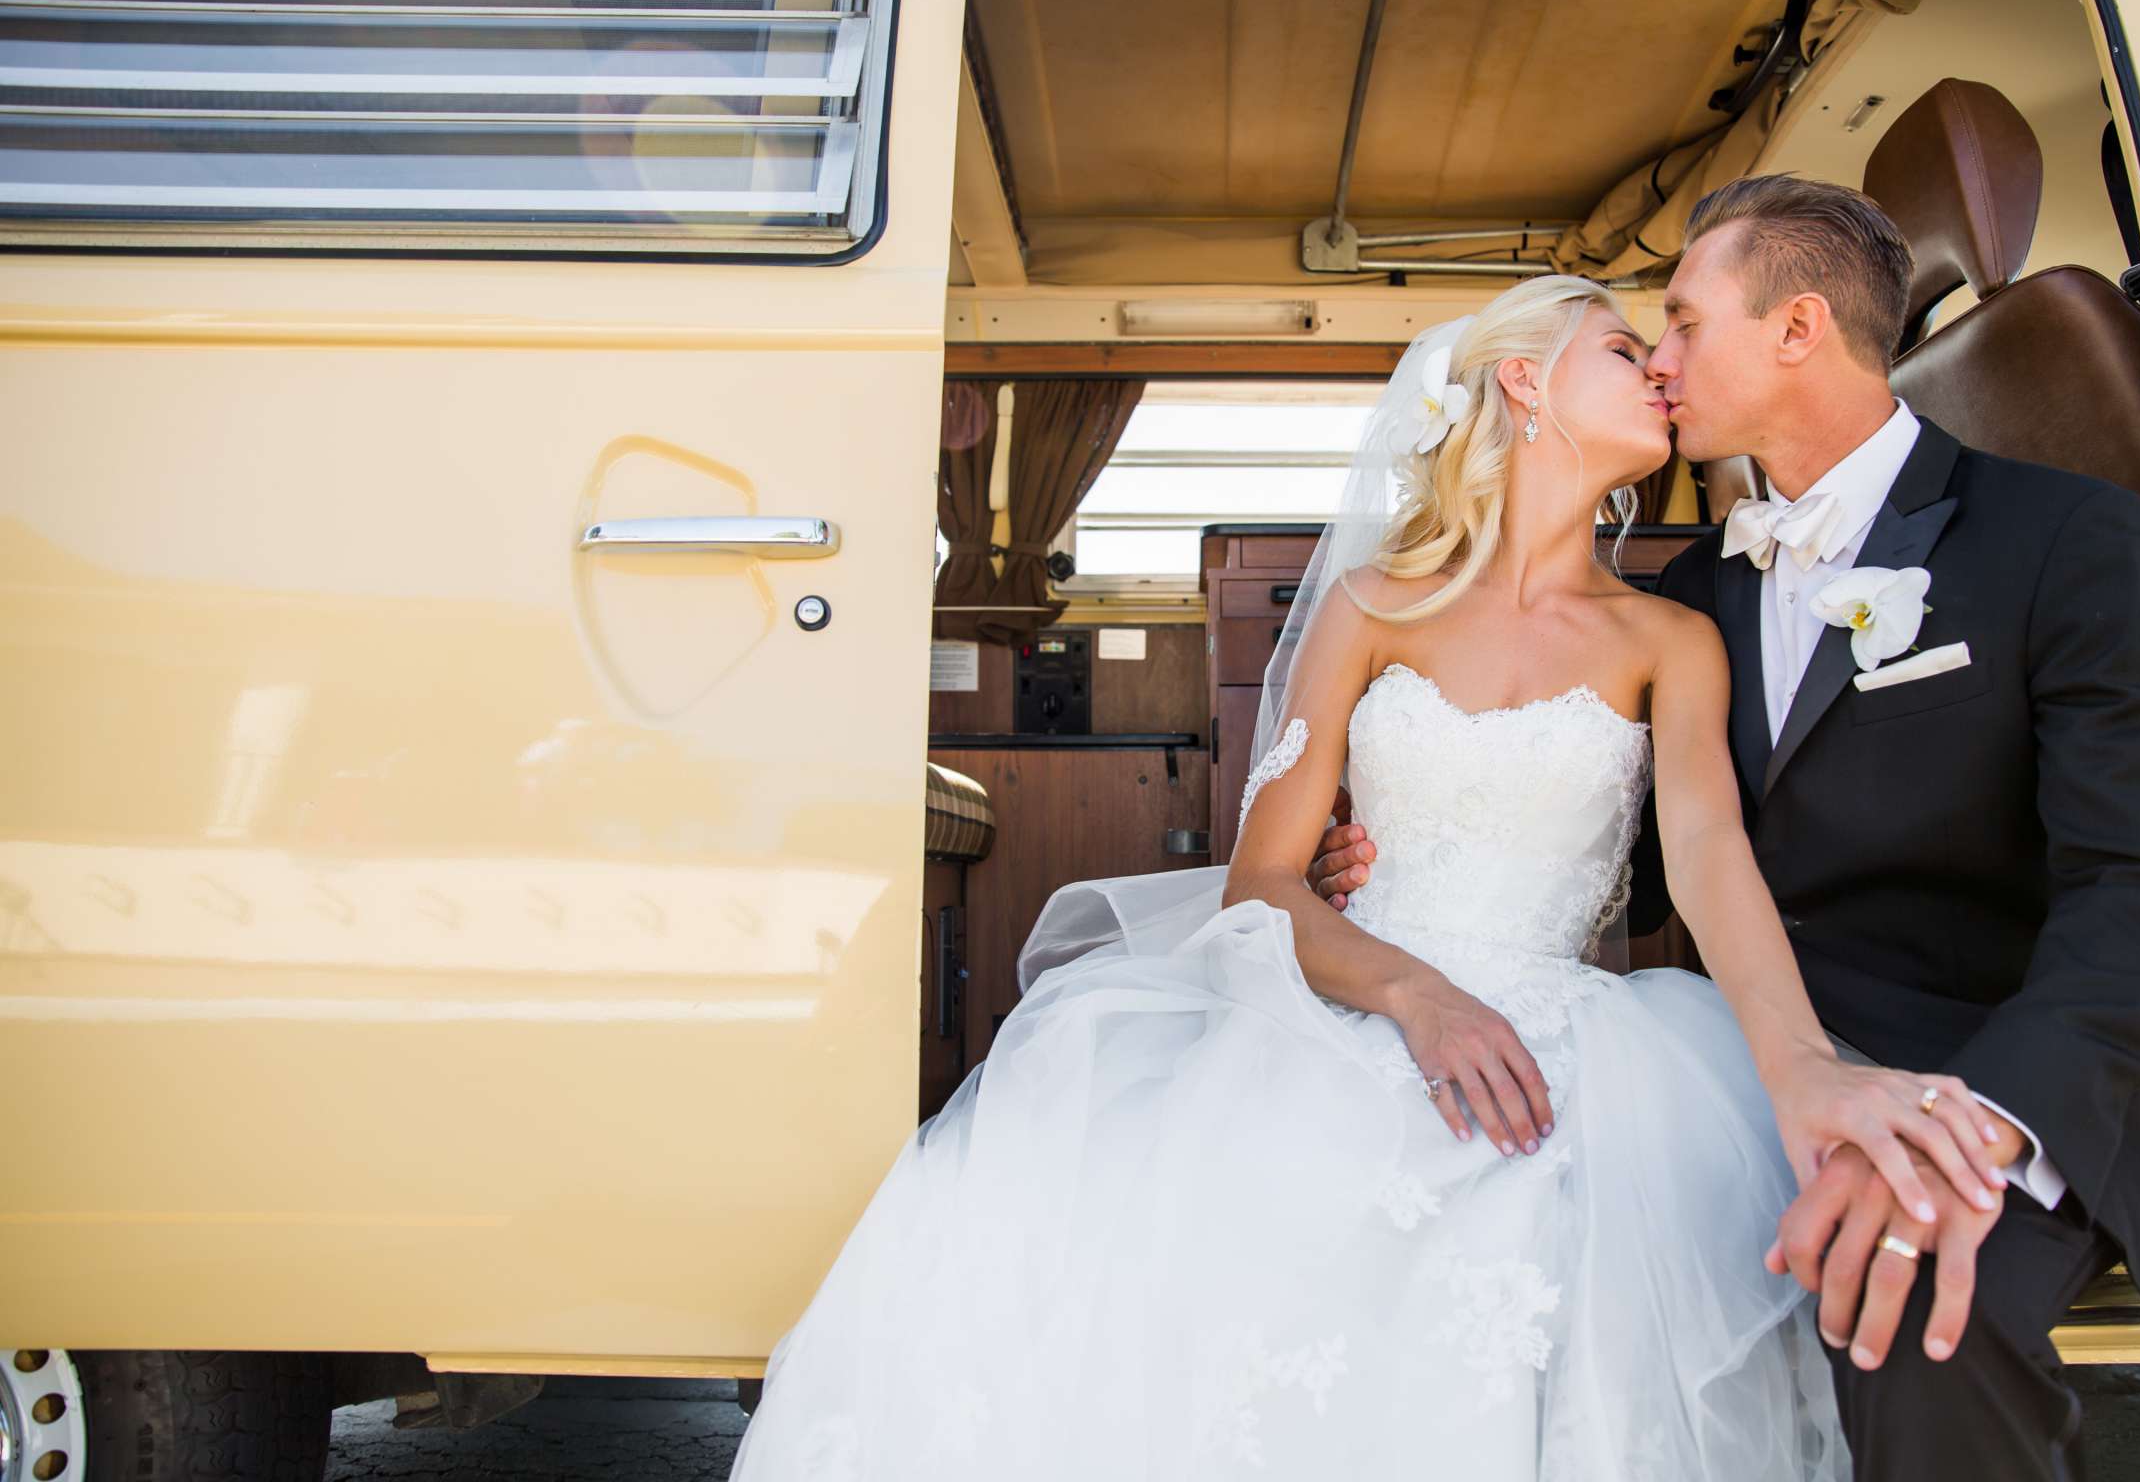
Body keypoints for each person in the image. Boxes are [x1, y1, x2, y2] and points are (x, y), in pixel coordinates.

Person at [730, 273, 2012, 1479]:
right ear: (1521, 383)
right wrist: (1413, 994)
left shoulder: (1671, 637)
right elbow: (1264, 883)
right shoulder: (1371, 605)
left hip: (1571, 1041)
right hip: (1350, 1006)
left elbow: (1712, 856)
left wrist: (1799, 1061)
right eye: (1627, 347)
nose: (1664, 368)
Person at [1312, 177, 2140, 1481]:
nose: (1662, 362)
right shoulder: (1699, 590)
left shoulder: (2061, 540)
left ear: (1796, 331)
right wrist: (1398, 857)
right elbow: (1645, 852)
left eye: (1681, 325)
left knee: (1905, 1301)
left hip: (1994, 1069)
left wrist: (1975, 1131)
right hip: (1731, 1065)